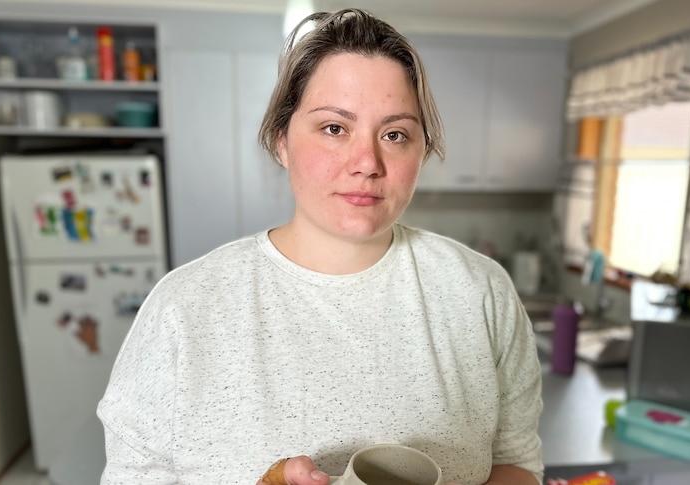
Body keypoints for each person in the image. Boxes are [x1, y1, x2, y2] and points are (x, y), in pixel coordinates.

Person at [97, 8, 543, 485]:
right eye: (334, 128)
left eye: (395, 134)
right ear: (281, 141)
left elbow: (516, 463)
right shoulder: (183, 309)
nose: (367, 162)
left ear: (421, 150)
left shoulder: (481, 294)